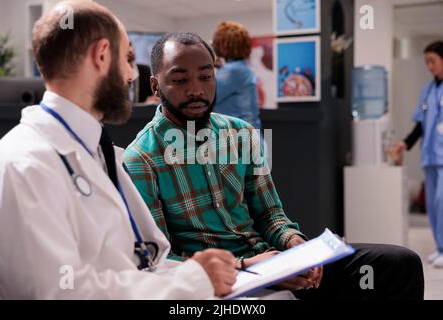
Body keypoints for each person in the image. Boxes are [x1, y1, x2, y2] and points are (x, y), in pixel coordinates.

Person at [124, 31, 425, 300]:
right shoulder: (141, 159)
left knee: (399, 265)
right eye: (179, 80)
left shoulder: (240, 133)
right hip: (223, 283)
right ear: (155, 84)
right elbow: (159, 261)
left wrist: (295, 246)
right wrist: (242, 266)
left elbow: (270, 214)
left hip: (273, 263)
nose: (196, 90)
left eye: (206, 76)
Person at [0, 1, 239, 299]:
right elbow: (59, 292)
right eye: (128, 58)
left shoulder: (97, 150)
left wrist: (208, 274)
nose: (132, 75)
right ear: (101, 55)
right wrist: (191, 282)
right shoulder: (25, 164)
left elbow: (144, 260)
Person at [390, 41, 443, 268]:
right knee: (432, 204)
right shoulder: (428, 91)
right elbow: (420, 125)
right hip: (430, 156)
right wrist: (405, 143)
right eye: (427, 62)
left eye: (433, 61)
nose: (429, 66)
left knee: (442, 202)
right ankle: (440, 247)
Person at [212, 21, 261, 129]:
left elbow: (207, 97)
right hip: (249, 135)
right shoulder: (243, 68)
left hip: (238, 138)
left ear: (225, 44)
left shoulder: (232, 71)